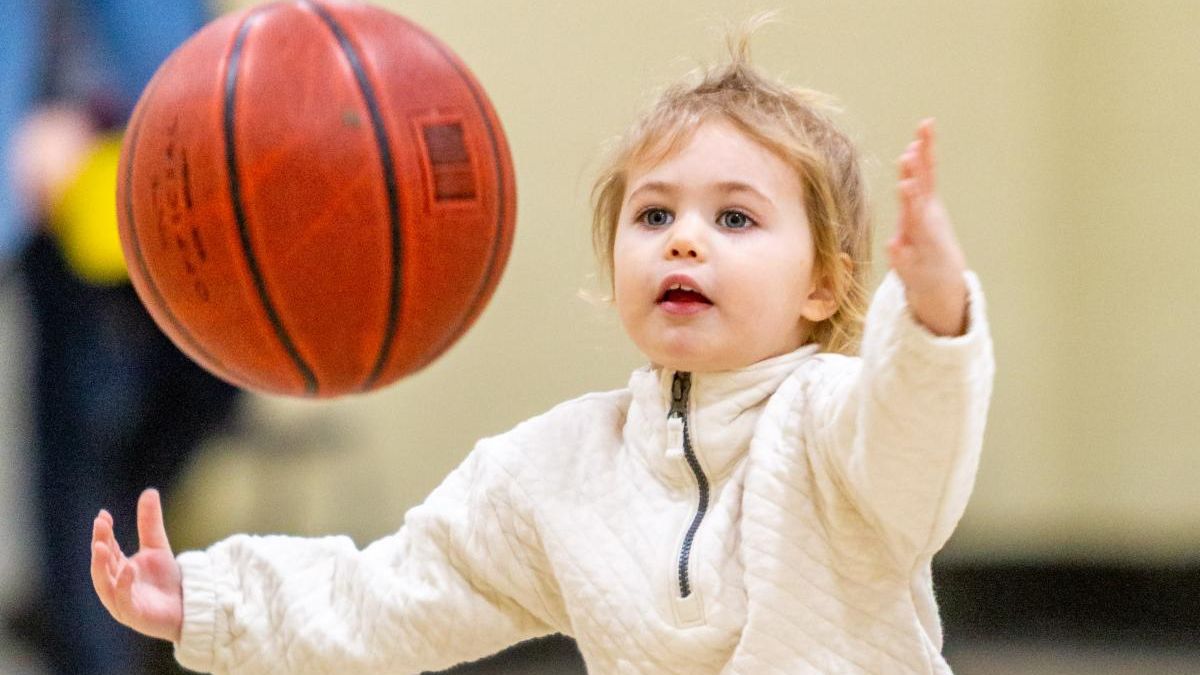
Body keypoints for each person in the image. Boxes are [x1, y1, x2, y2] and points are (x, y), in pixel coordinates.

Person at [89, 28, 994, 674]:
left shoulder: (836, 421)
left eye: (734, 216)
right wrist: (205, 601)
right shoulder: (561, 469)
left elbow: (914, 444)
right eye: (653, 213)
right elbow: (393, 594)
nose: (684, 239)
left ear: (823, 286)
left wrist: (931, 314)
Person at [2, 2, 241, 673]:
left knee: (217, 382)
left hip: (169, 170)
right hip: (59, 201)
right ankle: (88, 640)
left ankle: (80, 596)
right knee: (82, 441)